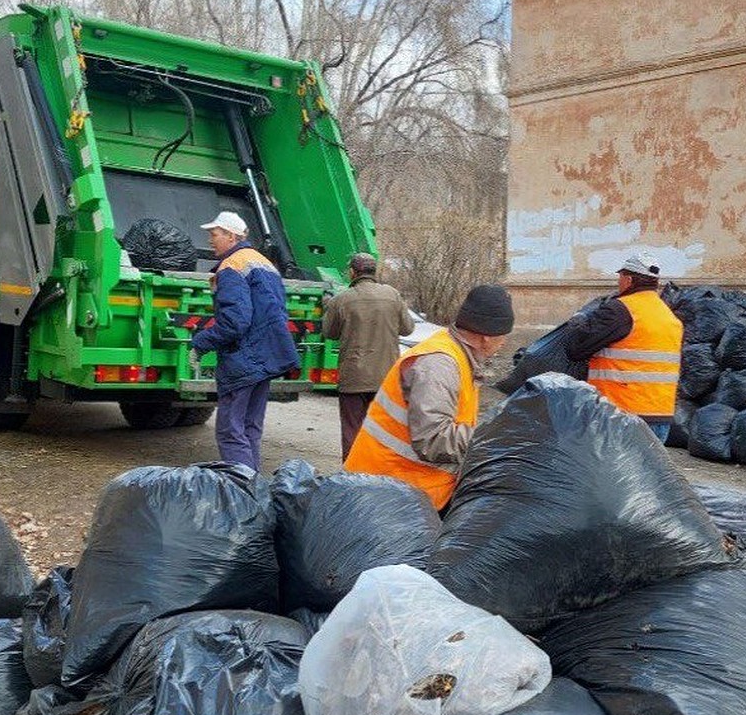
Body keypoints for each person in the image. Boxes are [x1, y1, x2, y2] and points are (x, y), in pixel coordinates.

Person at [343, 284, 514, 511]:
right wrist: (497, 436)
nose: (503, 344)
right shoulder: (439, 365)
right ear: (486, 338)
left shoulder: (455, 355)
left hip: (402, 492)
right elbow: (433, 439)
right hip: (385, 497)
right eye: (503, 338)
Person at [189, 210, 298, 471]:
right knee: (250, 427)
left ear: (230, 235)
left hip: (243, 358)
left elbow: (235, 322)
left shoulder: (231, 267)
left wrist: (201, 343)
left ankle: (241, 491)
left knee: (230, 430)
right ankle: (253, 489)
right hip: (266, 356)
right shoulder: (264, 263)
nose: (210, 241)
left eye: (214, 235)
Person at [563, 253, 683, 441]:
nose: (619, 282)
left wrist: (578, 322)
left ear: (628, 279)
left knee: (606, 471)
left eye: (620, 277)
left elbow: (576, 349)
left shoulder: (620, 310)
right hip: (660, 417)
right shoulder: (670, 317)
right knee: (645, 471)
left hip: (621, 415)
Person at [321, 253, 415, 459]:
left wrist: (328, 307)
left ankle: (352, 476)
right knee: (382, 430)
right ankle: (379, 477)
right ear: (374, 272)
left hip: (353, 377)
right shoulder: (393, 295)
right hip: (385, 378)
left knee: (352, 429)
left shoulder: (342, 300)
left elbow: (329, 333)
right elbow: (408, 329)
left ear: (353, 272)